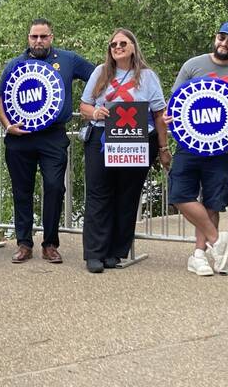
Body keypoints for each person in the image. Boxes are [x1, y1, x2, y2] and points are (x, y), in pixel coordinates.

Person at [165, 21, 228, 276]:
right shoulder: (193, 65)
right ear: (215, 37)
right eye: (221, 37)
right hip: (189, 145)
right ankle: (216, 238)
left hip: (224, 150)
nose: (224, 44)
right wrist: (169, 117)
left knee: (212, 202)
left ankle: (200, 255)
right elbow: (175, 102)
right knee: (179, 195)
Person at [0, 18, 95, 263]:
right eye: (34, 37)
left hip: (53, 136)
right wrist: (7, 126)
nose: (38, 41)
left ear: (52, 37)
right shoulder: (15, 64)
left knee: (54, 187)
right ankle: (24, 243)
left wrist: (89, 105)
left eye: (43, 36)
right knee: (22, 191)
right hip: (20, 137)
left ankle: (50, 243)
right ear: (28, 38)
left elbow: (98, 76)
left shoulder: (68, 59)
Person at [80, 29, 171, 273]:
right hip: (102, 136)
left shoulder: (148, 76)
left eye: (123, 43)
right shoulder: (100, 72)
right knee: (99, 193)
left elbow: (159, 113)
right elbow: (84, 105)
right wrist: (95, 112)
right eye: (113, 44)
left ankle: (116, 251)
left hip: (138, 138)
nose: (117, 47)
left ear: (133, 47)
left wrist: (163, 147)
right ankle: (95, 253)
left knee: (127, 195)